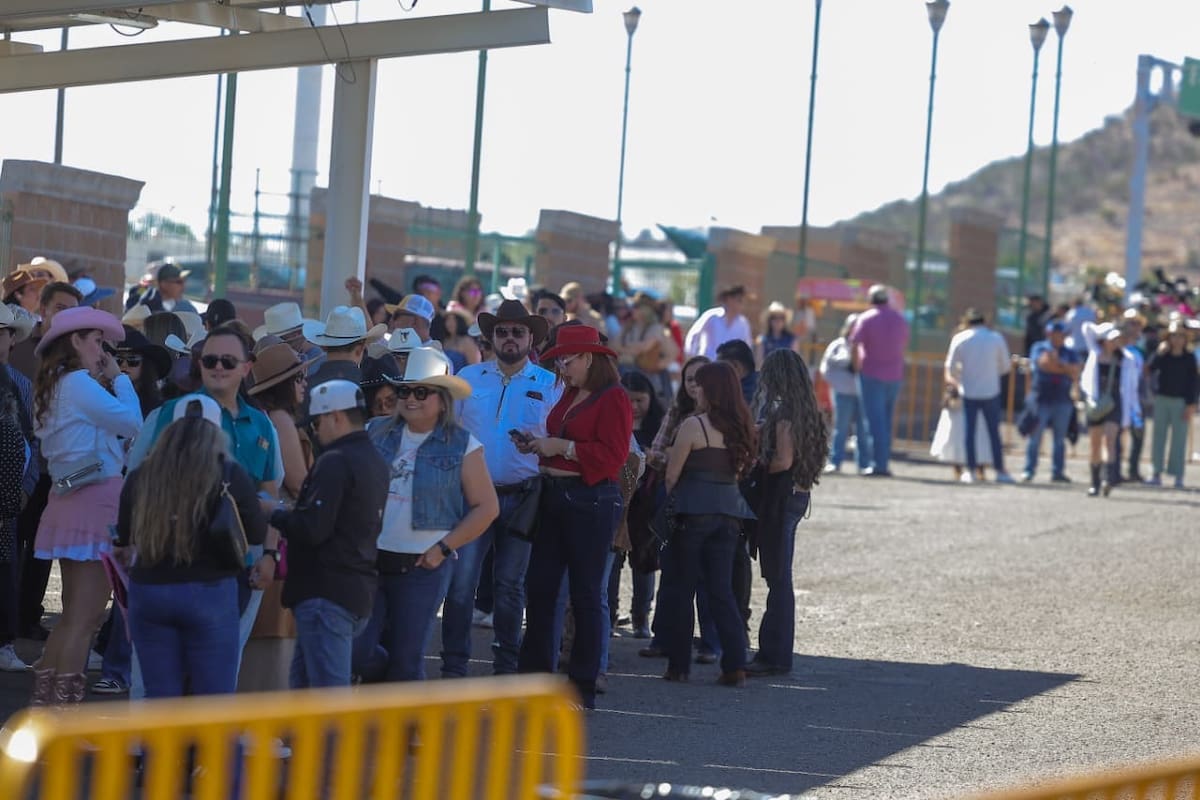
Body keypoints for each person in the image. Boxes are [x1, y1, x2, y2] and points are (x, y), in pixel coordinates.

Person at [358, 348, 497, 682]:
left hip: (422, 566)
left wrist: (444, 549)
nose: (410, 399)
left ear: (443, 398)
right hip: (371, 559)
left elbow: (487, 507)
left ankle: (403, 728)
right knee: (359, 650)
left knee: (406, 657)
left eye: (421, 391)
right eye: (404, 390)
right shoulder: (375, 431)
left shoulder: (462, 443)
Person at [113, 397, 266, 698]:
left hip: (151, 591)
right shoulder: (228, 474)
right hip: (210, 591)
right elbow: (258, 532)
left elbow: (125, 534)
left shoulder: (142, 476)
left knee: (160, 698)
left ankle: (161, 747)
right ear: (216, 431)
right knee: (212, 699)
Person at [30, 307, 142, 705]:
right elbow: (133, 423)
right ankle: (60, 717)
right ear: (75, 341)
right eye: (96, 341)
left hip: (70, 500)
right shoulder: (79, 383)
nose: (104, 351)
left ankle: (47, 713)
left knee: (75, 617)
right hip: (96, 501)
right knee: (86, 617)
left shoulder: (60, 384)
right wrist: (121, 379)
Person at [516, 325, 632, 709]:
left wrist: (560, 447)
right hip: (554, 496)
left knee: (584, 594)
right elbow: (568, 443)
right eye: (560, 360)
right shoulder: (568, 393)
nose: (563, 366)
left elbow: (612, 457)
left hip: (590, 500)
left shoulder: (613, 397)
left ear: (589, 358)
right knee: (541, 589)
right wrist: (539, 446)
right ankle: (534, 682)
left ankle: (581, 686)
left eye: (568, 359)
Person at [443, 300, 558, 678]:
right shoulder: (469, 378)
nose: (509, 338)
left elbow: (556, 440)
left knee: (510, 588)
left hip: (523, 496)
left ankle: (506, 671)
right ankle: (453, 670)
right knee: (461, 587)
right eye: (502, 332)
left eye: (517, 332)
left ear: (530, 338)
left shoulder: (550, 383)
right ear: (491, 337)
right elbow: (451, 435)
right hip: (473, 497)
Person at [265, 380, 388, 688]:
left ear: (336, 417)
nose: (315, 431)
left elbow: (312, 529)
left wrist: (272, 513)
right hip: (350, 589)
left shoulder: (336, 461)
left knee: (326, 700)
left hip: (327, 594)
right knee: (308, 698)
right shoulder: (374, 459)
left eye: (317, 422)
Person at [659, 361, 756, 687]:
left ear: (710, 389)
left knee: (681, 588)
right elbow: (741, 472)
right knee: (722, 591)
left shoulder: (693, 425)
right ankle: (735, 665)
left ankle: (678, 665)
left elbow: (672, 474)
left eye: (700, 385)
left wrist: (662, 509)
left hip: (692, 510)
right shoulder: (742, 426)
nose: (695, 390)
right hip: (730, 512)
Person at [745, 350, 827, 677]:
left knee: (779, 577)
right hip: (799, 495)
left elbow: (782, 460)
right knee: (781, 576)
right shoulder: (807, 411)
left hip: (782, 497)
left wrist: (755, 461)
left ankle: (775, 654)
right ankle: (776, 652)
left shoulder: (784, 415)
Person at [610, 371, 663, 638]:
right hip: (617, 501)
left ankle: (641, 617)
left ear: (651, 399)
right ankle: (609, 614)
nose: (634, 407)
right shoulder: (613, 420)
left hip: (646, 503)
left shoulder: (660, 425)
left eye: (640, 400)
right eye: (628, 400)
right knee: (613, 560)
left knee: (644, 561)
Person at [0, 304, 34, 673]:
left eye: (1, 331)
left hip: (7, 492)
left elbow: (33, 439)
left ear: (11, 338)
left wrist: (25, 486)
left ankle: (5, 640)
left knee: (7, 568)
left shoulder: (22, 384)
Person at [944, 309, 1015, 484]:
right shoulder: (996, 338)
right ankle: (1000, 470)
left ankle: (971, 469)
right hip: (991, 390)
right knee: (993, 432)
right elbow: (1005, 366)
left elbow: (951, 367)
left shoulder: (960, 338)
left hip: (969, 391)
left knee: (970, 432)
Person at [849, 284, 910, 477]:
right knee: (886, 421)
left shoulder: (866, 318)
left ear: (871, 300)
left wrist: (854, 366)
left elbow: (854, 343)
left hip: (871, 374)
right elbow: (903, 343)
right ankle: (882, 461)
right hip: (895, 376)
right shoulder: (900, 318)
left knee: (874, 422)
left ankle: (877, 464)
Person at [1080, 321, 1140, 497]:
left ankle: (1108, 478)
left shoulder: (1125, 359)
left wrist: (1134, 411)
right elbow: (1086, 329)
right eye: (1111, 339)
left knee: (1110, 440)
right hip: (1096, 403)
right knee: (1094, 444)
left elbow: (1131, 387)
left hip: (1115, 403)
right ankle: (1094, 482)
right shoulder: (1095, 355)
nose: (1114, 342)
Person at [1022, 321, 1081, 483]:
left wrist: (1059, 364)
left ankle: (1058, 472)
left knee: (1059, 439)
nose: (1060, 338)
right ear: (1049, 334)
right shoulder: (1039, 347)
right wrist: (1065, 368)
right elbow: (1044, 365)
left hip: (1062, 399)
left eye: (1062, 335)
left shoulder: (1070, 351)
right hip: (1041, 398)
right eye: (1056, 334)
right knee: (1035, 437)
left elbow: (1076, 371)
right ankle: (1029, 470)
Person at [1146, 321, 1198, 488]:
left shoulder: (1189, 358)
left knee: (1179, 439)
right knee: (1158, 437)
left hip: (1181, 402)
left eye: (1180, 336)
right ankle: (1156, 472)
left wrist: (1192, 404)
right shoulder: (1163, 355)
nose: (1177, 339)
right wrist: (1158, 353)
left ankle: (1178, 475)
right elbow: (1149, 369)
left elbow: (1194, 383)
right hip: (1162, 399)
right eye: (1174, 335)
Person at [819, 315, 867, 474]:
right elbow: (825, 368)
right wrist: (837, 383)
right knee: (840, 428)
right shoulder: (837, 345)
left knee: (862, 430)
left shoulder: (866, 346)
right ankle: (835, 461)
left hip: (863, 395)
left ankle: (863, 464)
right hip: (842, 393)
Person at [616, 293, 675, 400]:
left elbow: (645, 347)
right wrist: (626, 349)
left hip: (649, 376)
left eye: (636, 307)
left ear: (646, 309)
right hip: (627, 371)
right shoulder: (629, 326)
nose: (632, 310)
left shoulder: (656, 327)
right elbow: (615, 345)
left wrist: (624, 349)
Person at [684, 285, 753, 360]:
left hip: (730, 367)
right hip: (708, 364)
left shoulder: (743, 323)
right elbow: (694, 335)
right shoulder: (712, 316)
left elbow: (747, 346)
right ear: (729, 299)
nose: (742, 305)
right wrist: (691, 356)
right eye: (739, 301)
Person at [127, 262, 198, 315]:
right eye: (178, 282)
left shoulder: (186, 307)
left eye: (184, 281)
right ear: (162, 284)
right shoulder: (145, 305)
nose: (183, 286)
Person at [716, 339, 758, 407]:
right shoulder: (765, 386)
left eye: (720, 368)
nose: (717, 373)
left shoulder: (739, 398)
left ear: (736, 366)